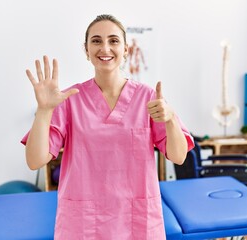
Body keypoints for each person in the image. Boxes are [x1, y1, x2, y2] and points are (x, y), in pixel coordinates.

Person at [21, 14, 194, 240]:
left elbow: (179, 156)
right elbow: (35, 160)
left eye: (113, 41)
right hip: (83, 225)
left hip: (137, 222)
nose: (105, 47)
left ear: (126, 50)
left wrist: (170, 119)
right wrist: (44, 110)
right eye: (96, 40)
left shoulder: (147, 97)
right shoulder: (69, 99)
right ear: (86, 50)